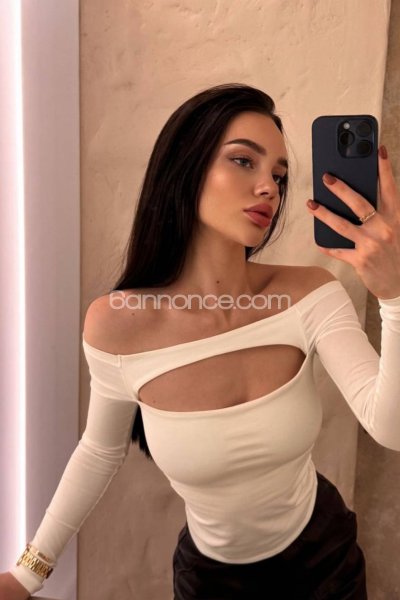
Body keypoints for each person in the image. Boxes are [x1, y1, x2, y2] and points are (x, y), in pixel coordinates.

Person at [2, 83, 400, 600]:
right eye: (244, 161)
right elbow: (99, 451)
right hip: (210, 582)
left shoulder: (310, 295)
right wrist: (29, 573)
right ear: (185, 167)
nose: (269, 187)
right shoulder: (118, 325)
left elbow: (389, 427)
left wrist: (394, 295)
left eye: (279, 175)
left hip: (326, 561)